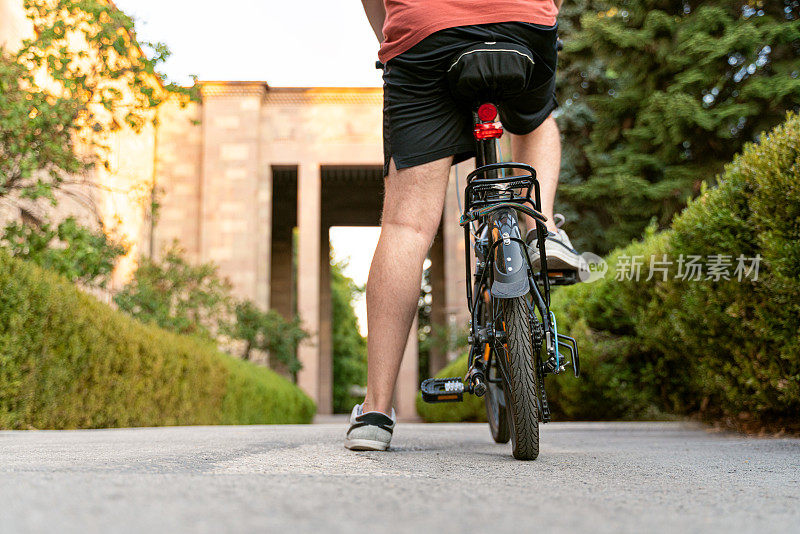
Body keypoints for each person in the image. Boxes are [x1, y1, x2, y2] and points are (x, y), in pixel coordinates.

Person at [344, 0, 583, 451]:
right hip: (522, 22)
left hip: (424, 32)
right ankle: (541, 230)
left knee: (406, 227)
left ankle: (375, 412)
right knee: (535, 118)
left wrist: (391, 36)